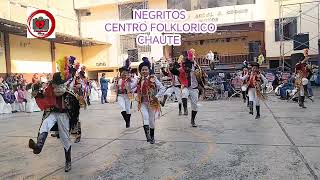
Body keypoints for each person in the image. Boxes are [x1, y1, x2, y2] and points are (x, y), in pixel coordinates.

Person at [28, 71, 83, 172]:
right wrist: (36, 91)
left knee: (65, 139)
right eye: (55, 84)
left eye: (58, 84)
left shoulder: (69, 94)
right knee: (45, 125)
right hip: (52, 113)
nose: (56, 86)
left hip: (64, 116)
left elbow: (76, 108)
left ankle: (68, 161)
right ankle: (38, 147)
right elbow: (41, 96)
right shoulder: (49, 91)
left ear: (62, 84)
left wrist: (73, 120)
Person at [135, 57, 166, 144]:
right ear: (140, 71)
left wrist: (157, 96)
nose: (144, 71)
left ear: (149, 70)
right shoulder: (138, 80)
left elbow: (162, 88)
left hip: (152, 103)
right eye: (142, 70)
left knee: (151, 120)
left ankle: (152, 137)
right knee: (145, 117)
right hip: (143, 103)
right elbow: (132, 88)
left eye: (146, 69)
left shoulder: (153, 78)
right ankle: (147, 136)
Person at [171, 49, 201, 127]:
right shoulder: (182, 68)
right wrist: (174, 66)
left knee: (195, 106)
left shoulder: (197, 67)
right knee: (184, 93)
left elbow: (201, 76)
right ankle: (185, 109)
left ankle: (192, 120)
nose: (187, 68)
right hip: (186, 86)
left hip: (194, 88)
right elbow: (175, 71)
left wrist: (203, 78)